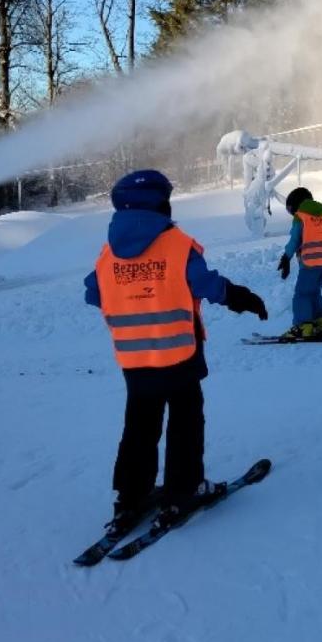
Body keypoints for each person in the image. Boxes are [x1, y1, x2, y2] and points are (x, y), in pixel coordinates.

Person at [85, 169, 268, 535]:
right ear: (160, 204)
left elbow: (93, 293)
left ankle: (130, 498)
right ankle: (183, 491)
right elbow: (204, 284)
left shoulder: (109, 252)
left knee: (139, 426)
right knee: (185, 422)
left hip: (135, 361)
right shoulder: (175, 244)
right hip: (179, 355)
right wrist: (240, 297)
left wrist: (133, 296)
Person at [277, 186, 322, 339]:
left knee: (302, 294)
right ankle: (319, 322)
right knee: (314, 292)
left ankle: (303, 325)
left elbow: (295, 240)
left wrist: (286, 258)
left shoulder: (301, 217)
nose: (291, 214)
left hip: (310, 262)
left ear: (296, 205)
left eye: (290, 209)